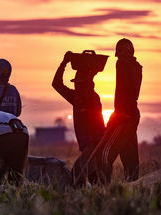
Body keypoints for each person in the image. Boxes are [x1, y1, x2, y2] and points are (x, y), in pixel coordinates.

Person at [52, 51, 105, 186]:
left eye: (80, 83)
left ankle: (77, 201)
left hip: (93, 145)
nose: (77, 85)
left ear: (88, 84)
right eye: (77, 83)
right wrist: (63, 63)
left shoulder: (93, 99)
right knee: (95, 179)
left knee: (77, 173)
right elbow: (56, 84)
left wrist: (91, 74)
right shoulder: (76, 98)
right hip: (87, 146)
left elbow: (97, 127)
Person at [95, 38, 142, 183]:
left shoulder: (122, 63)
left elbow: (124, 93)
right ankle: (133, 188)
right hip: (132, 115)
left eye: (120, 53)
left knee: (103, 154)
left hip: (124, 116)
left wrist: (116, 116)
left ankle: (103, 188)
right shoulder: (137, 67)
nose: (118, 56)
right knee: (130, 158)